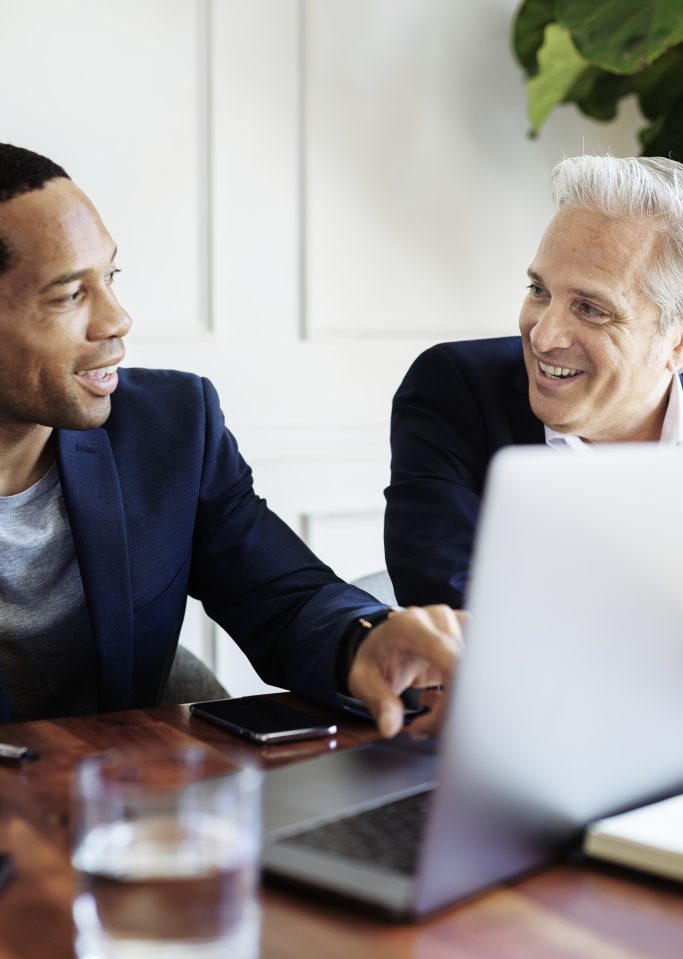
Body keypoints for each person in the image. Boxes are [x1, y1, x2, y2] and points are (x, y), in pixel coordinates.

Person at [0, 142, 465, 737]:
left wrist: (366, 643)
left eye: (111, 276)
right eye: (70, 295)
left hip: (111, 803)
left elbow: (284, 599)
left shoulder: (169, 427)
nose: (117, 319)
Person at [385, 154, 683, 608]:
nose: (542, 336)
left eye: (590, 309)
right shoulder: (454, 388)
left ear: (676, 344)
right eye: (539, 291)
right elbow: (452, 614)